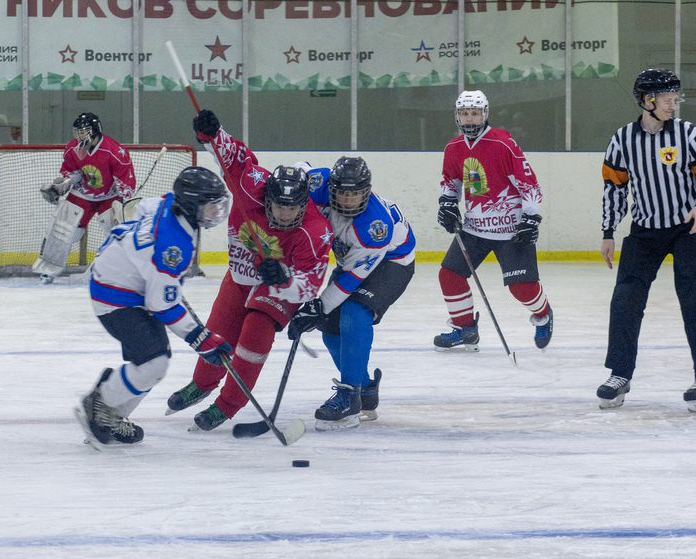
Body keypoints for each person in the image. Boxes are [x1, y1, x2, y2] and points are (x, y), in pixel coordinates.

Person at [166, 110, 332, 432]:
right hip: (241, 276)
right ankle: (201, 384)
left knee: (253, 339)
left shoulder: (315, 230)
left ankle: (228, 404)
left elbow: (310, 283)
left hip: (277, 289)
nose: (285, 215)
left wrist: (285, 278)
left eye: (292, 208)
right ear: (266, 198)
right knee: (218, 329)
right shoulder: (249, 188)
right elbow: (234, 158)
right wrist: (212, 134)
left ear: (304, 204)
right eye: (279, 206)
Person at [596, 68, 696, 412]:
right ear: (647, 100)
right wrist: (608, 231)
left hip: (689, 230)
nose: (673, 103)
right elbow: (614, 187)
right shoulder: (623, 139)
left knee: (693, 297)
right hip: (645, 232)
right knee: (625, 299)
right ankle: (619, 374)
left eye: (674, 97)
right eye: (667, 98)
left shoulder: (686, 133)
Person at [74, 167, 232, 447]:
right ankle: (99, 403)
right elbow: (161, 304)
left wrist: (151, 269)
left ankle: (110, 415)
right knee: (154, 363)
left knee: (154, 359)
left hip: (121, 283)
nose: (215, 213)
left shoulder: (168, 201)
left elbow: (143, 207)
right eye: (210, 206)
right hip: (115, 297)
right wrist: (201, 339)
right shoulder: (173, 245)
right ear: (193, 204)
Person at [287, 156, 416, 431]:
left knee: (354, 312)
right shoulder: (318, 183)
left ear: (366, 192)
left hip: (393, 262)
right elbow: (299, 169)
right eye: (342, 193)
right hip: (352, 260)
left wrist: (317, 305)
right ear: (331, 188)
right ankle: (365, 387)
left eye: (355, 194)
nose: (347, 201)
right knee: (330, 329)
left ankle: (350, 396)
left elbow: (350, 280)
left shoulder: (375, 227)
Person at [434, 90, 552, 352]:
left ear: (485, 114)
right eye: (464, 113)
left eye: (475, 113)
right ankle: (465, 329)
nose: (470, 119)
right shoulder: (454, 148)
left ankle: (543, 314)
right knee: (449, 275)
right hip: (475, 227)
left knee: (522, 288)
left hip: (512, 229)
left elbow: (528, 182)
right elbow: (450, 180)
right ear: (457, 116)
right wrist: (448, 203)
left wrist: (531, 217)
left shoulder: (503, 143)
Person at [32, 112, 136, 284]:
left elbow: (126, 181)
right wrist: (63, 185)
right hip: (83, 194)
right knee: (62, 229)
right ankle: (48, 270)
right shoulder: (75, 148)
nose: (79, 136)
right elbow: (72, 171)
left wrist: (124, 191)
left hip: (109, 197)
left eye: (84, 132)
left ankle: (114, 272)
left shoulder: (114, 151)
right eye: (78, 132)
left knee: (116, 233)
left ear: (95, 131)